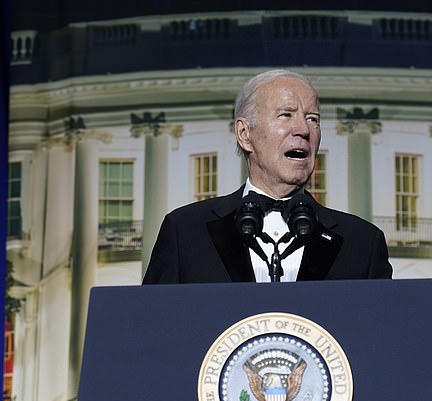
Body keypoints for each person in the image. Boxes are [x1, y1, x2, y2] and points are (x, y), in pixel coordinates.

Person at [142, 69, 392, 284]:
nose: (304, 130)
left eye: (312, 119)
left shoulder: (362, 243)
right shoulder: (185, 232)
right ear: (244, 134)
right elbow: (151, 328)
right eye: (286, 115)